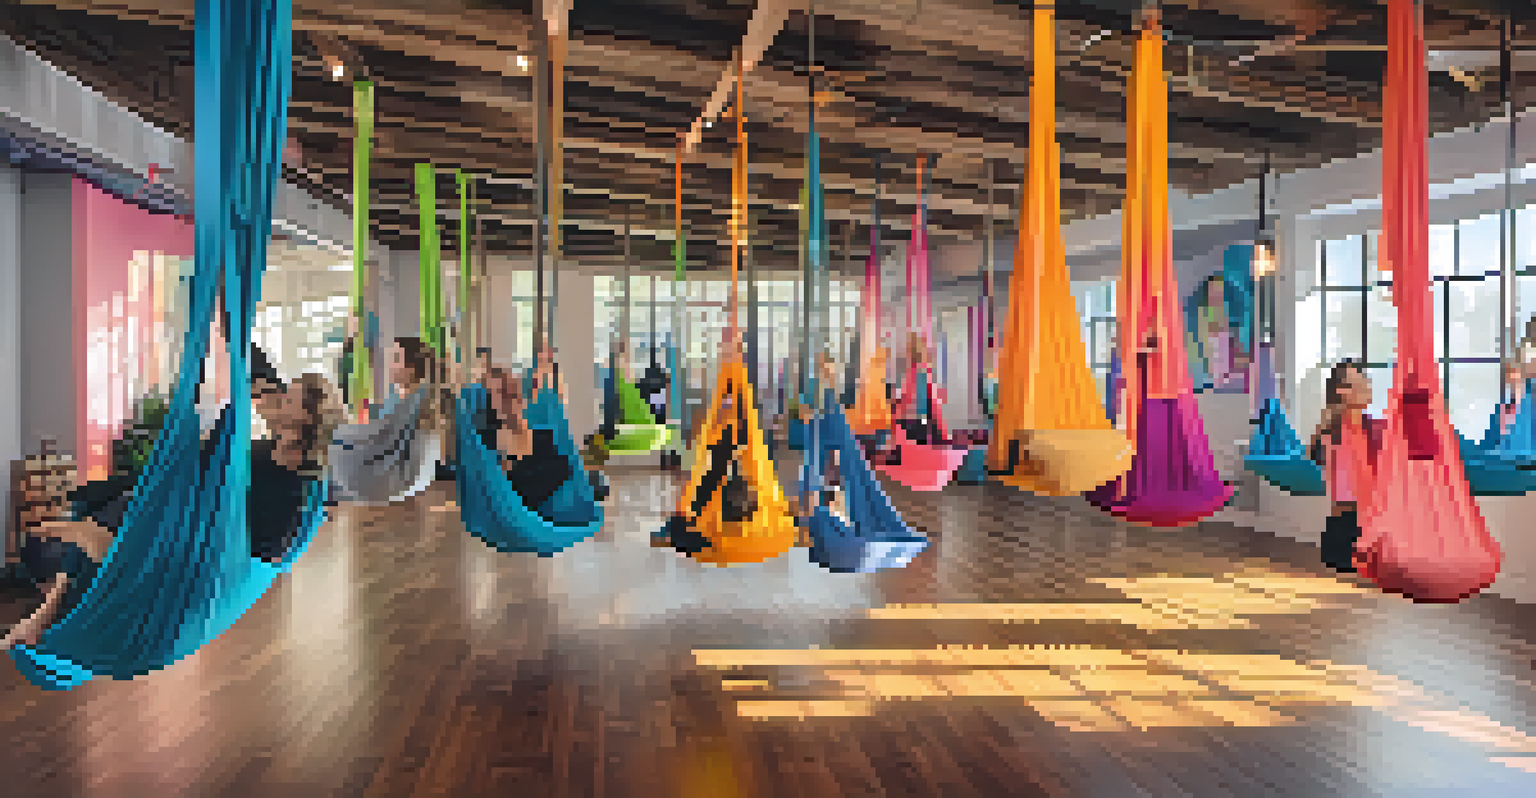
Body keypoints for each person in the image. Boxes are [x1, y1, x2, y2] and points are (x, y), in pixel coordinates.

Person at [4, 373, 343, 651]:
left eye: (290, 397)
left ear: (307, 417)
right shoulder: (266, 448)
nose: (280, 398)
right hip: (202, 522)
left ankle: (88, 550)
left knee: (124, 514)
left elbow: (269, 542)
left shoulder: (297, 477)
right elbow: (207, 459)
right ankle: (50, 610)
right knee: (114, 500)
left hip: (218, 548)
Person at [1308, 360, 1383, 574]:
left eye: (1365, 383)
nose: (1366, 388)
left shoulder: (1372, 426)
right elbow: (1317, 458)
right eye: (1357, 384)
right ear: (1342, 391)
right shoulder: (1334, 431)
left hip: (1363, 533)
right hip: (1345, 536)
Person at [475, 367, 573, 513]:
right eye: (505, 394)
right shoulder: (488, 440)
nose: (517, 400)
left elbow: (566, 469)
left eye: (514, 394)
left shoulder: (543, 437)